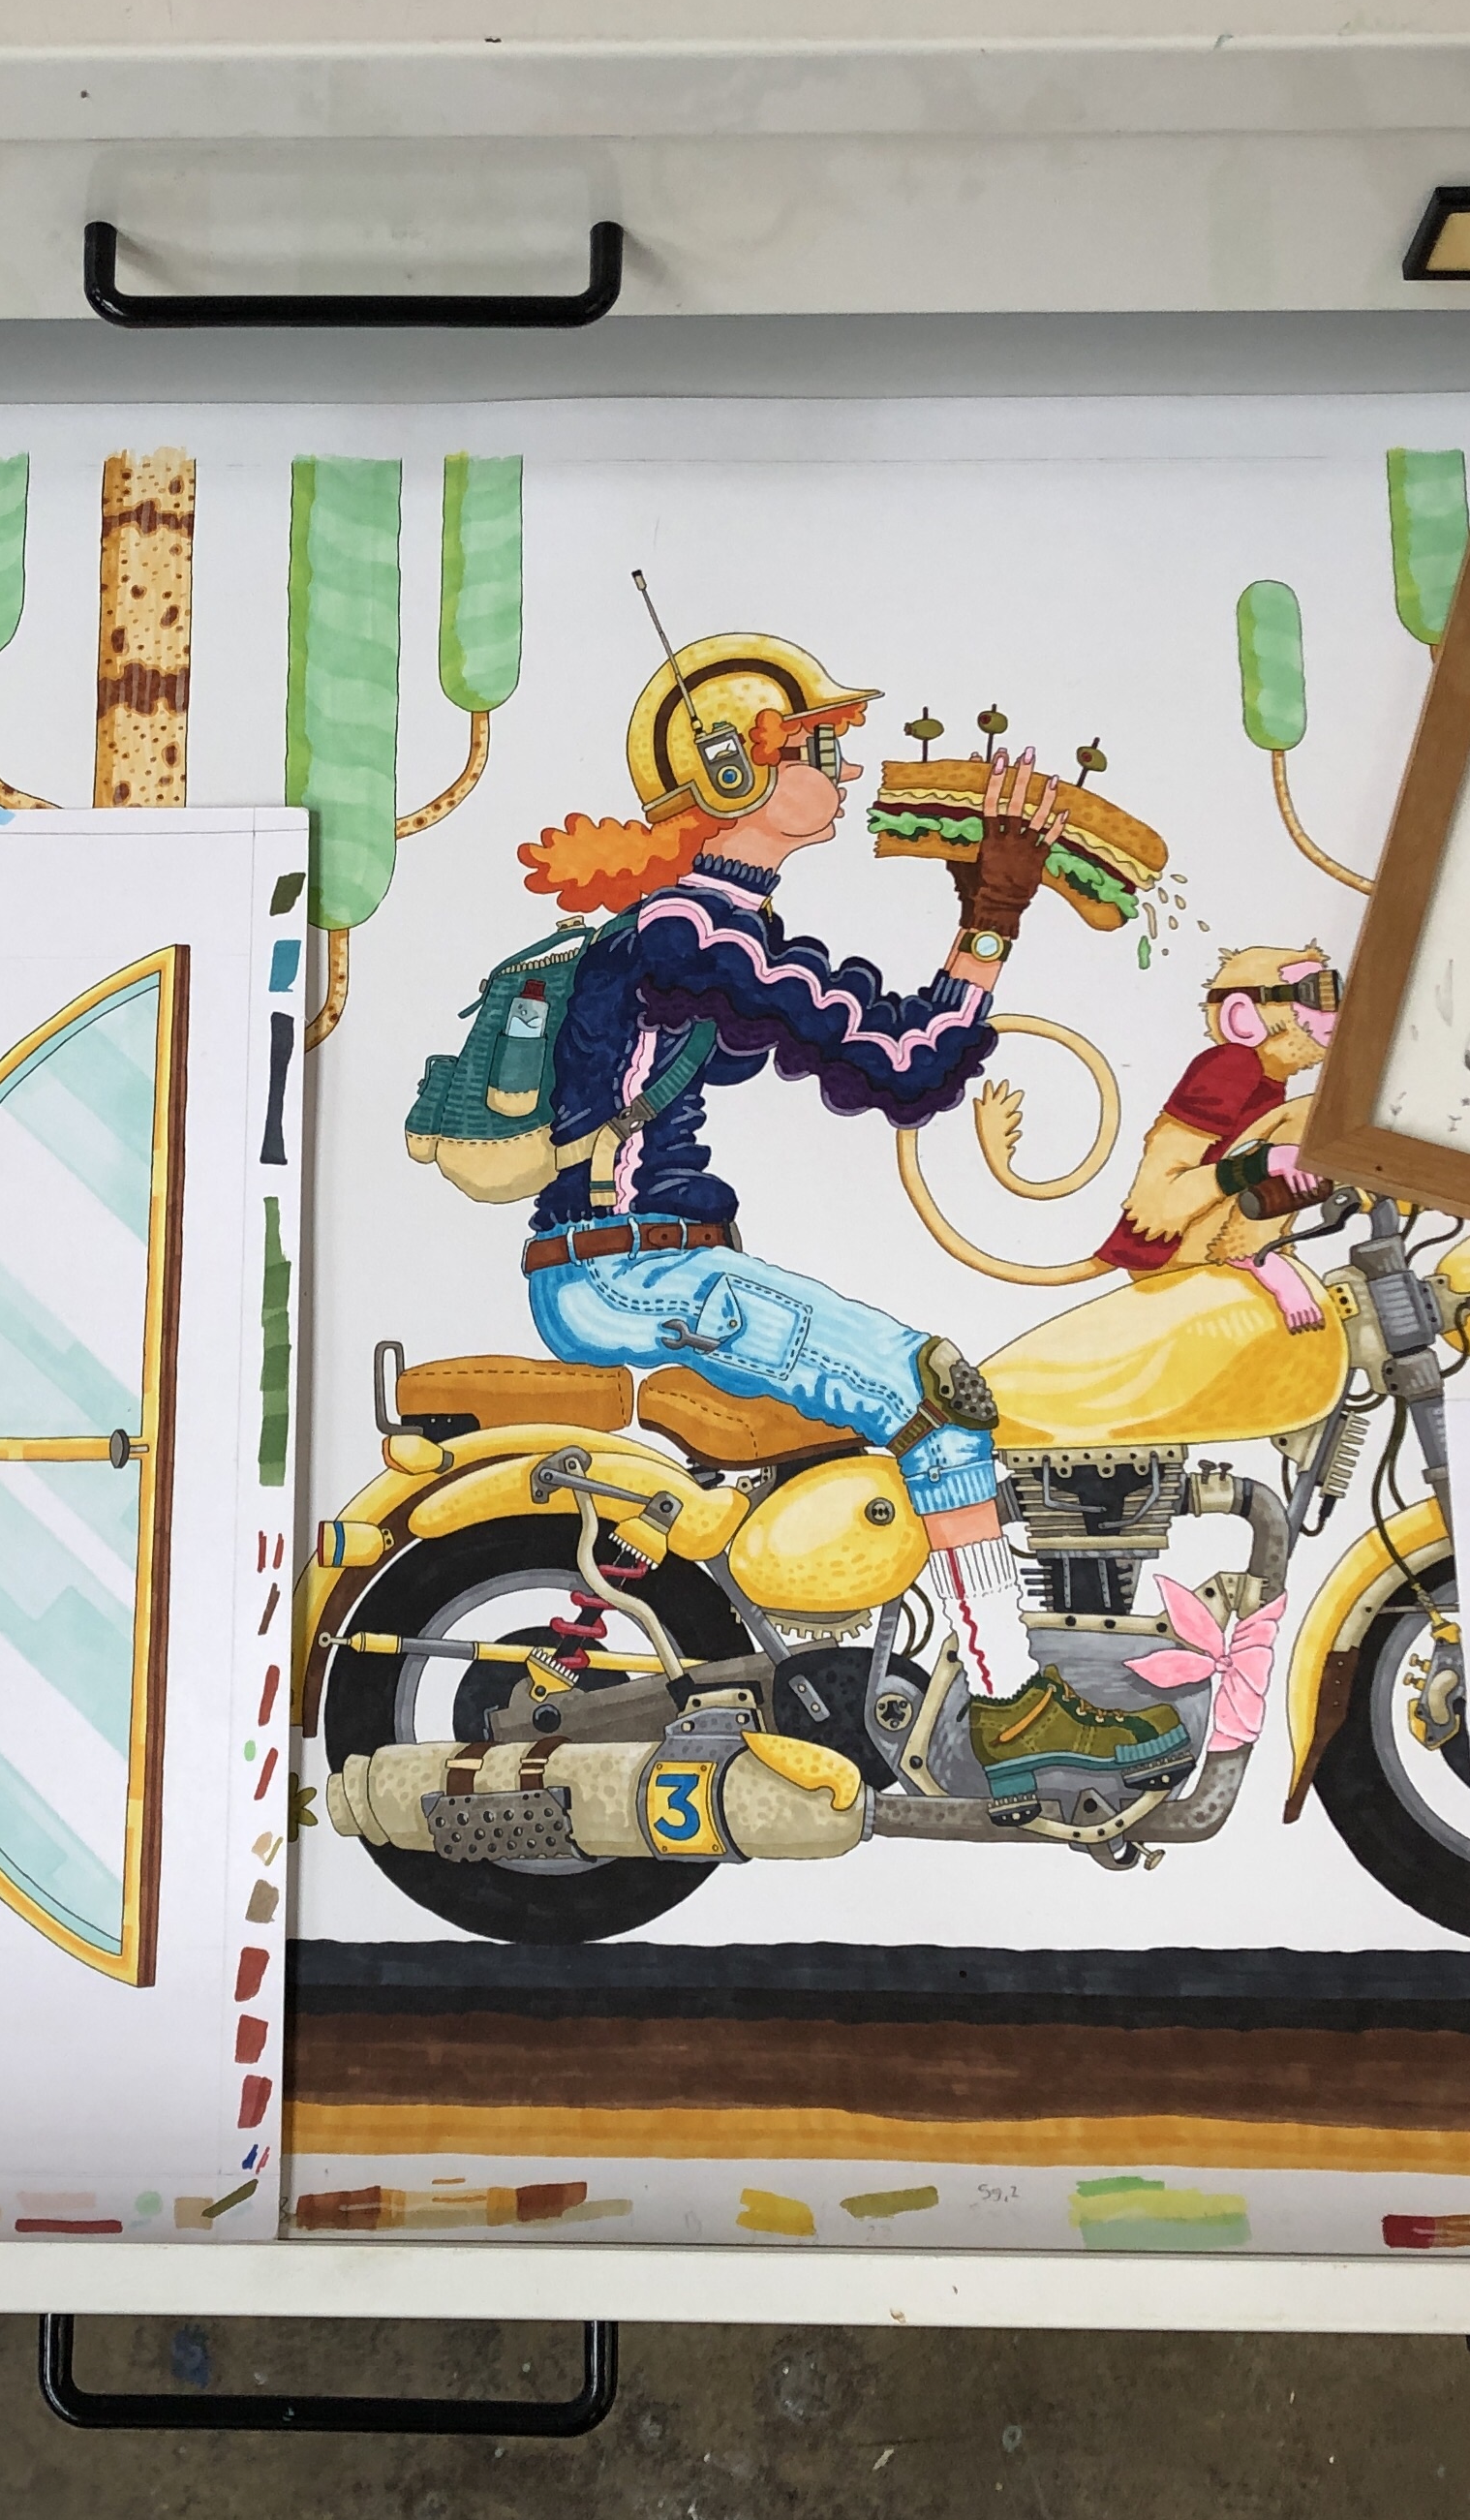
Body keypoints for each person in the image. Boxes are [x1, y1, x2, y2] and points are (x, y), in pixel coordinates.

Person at [517, 630, 1182, 1797]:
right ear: (735, 772)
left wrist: (979, 908)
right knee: (937, 1395)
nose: (848, 768)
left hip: (634, 1266)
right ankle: (1012, 1710)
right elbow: (903, 1066)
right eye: (820, 749)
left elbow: (886, 1048)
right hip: (636, 1275)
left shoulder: (694, 926)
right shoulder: (692, 933)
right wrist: (993, 912)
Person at [1091, 946, 1341, 1333]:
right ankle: (1254, 1255)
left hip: (1205, 1239)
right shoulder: (1232, 1066)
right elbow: (1156, 1200)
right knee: (1312, 1114)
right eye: (1315, 993)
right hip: (1173, 1250)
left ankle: (1259, 1252)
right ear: (1243, 1017)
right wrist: (1263, 1164)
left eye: (1335, 992)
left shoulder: (1269, 1083)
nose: (1333, 1011)